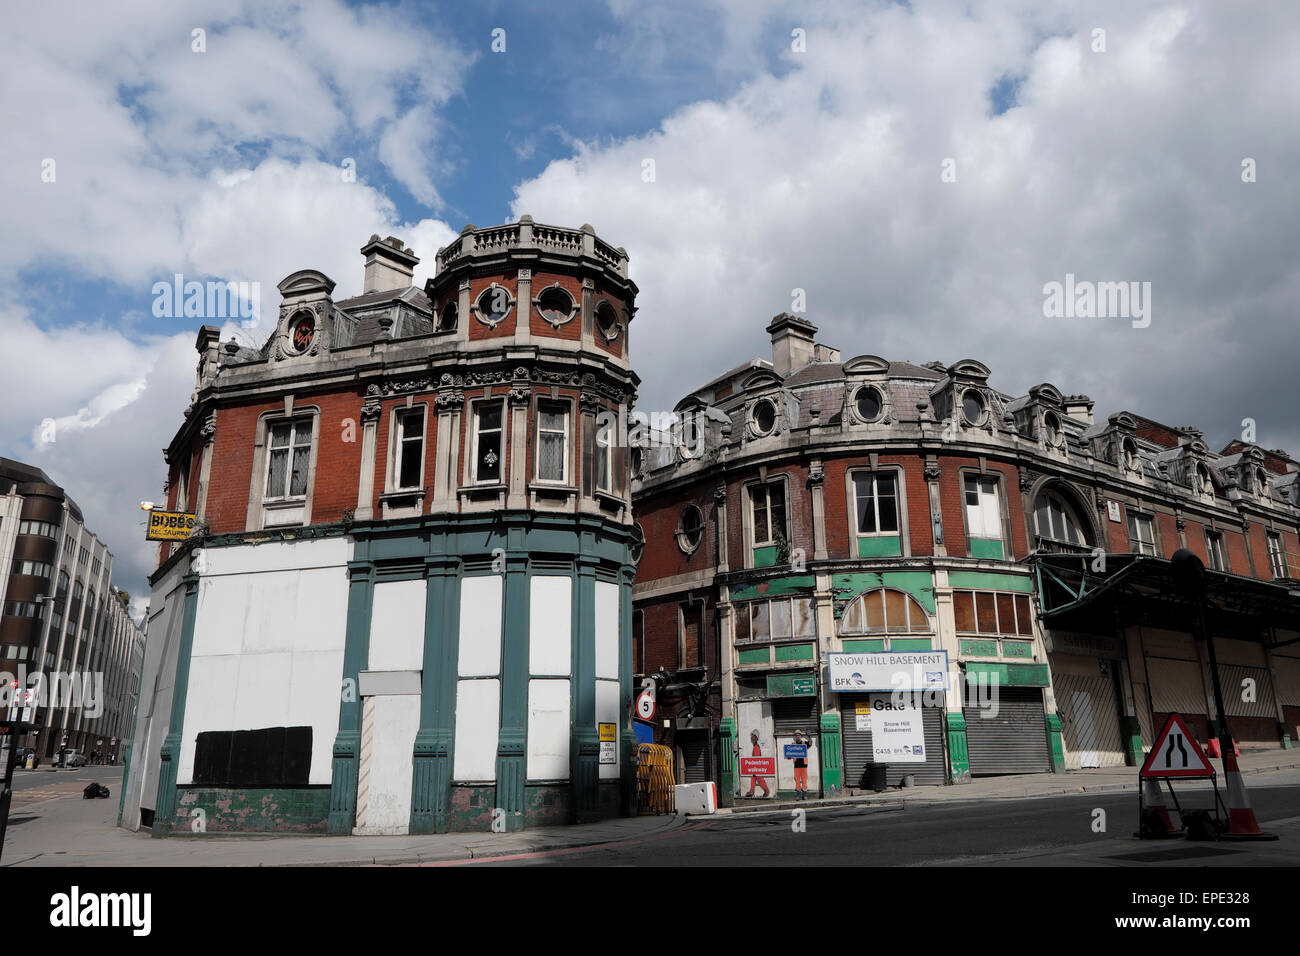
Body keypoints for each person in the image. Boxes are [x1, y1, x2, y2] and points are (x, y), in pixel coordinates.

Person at [744, 730, 770, 797]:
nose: (751, 738)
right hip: (755, 767)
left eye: (752, 737)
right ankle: (751, 792)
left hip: (756, 767)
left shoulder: (756, 747)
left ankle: (767, 791)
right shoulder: (755, 747)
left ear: (755, 738)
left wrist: (754, 766)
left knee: (759, 778)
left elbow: (756, 758)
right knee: (753, 778)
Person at [792, 730, 810, 800]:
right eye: (796, 735)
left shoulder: (804, 743)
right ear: (795, 737)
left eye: (799, 735)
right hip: (796, 765)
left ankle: (805, 795)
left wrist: (809, 737)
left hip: (804, 764)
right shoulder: (793, 744)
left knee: (804, 779)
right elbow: (789, 752)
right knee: (797, 780)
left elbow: (810, 743)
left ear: (801, 736)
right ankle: (798, 795)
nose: (797, 736)